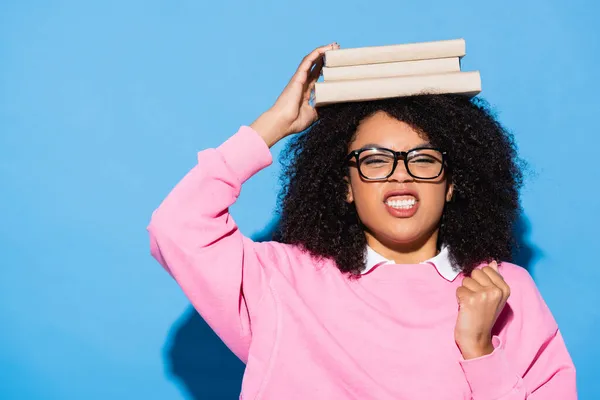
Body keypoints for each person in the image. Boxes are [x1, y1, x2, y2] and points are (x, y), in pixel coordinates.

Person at [147, 43, 577, 399]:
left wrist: (480, 351)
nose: (400, 173)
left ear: (451, 183)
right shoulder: (281, 280)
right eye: (374, 159)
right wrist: (271, 127)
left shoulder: (505, 290)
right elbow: (177, 225)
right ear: (346, 185)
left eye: (423, 159)